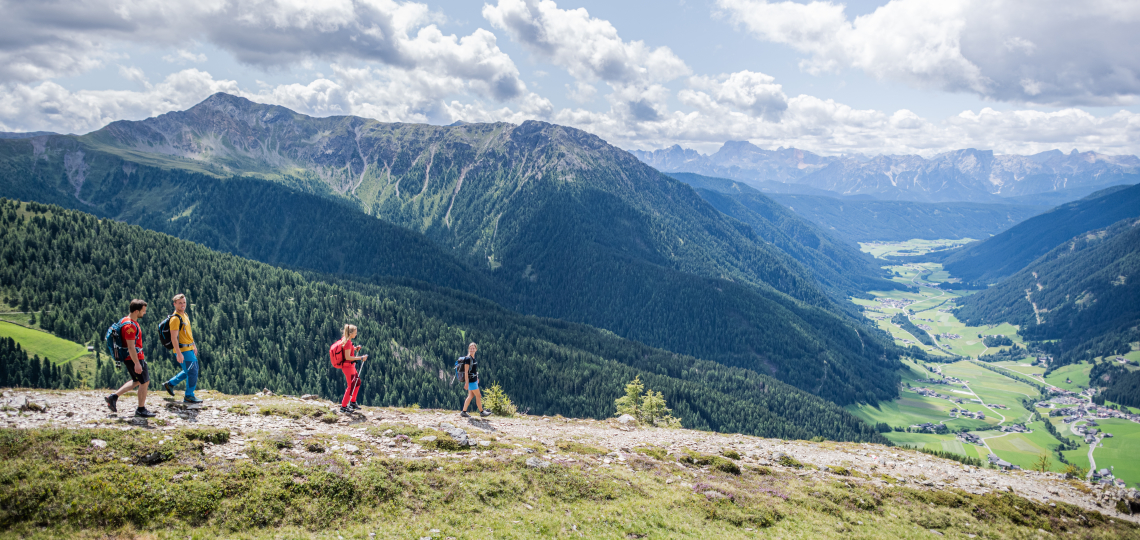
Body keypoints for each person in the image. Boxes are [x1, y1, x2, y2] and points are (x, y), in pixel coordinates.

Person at [104, 299, 156, 418]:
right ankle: (141, 409)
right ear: (136, 311)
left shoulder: (125, 320)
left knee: (137, 380)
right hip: (134, 358)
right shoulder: (130, 326)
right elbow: (131, 347)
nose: (144, 313)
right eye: (143, 311)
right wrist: (137, 363)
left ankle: (113, 397)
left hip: (131, 357)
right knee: (144, 382)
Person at [162, 294, 202, 403]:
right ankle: (189, 395)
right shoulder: (175, 319)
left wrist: (194, 345)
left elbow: (188, 333)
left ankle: (170, 384)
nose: (183, 305)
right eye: (180, 303)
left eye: (184, 302)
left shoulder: (185, 315)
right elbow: (173, 338)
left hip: (189, 348)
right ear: (174, 304)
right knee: (192, 371)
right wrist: (178, 353)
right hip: (183, 350)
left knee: (189, 370)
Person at [336, 324, 368, 414]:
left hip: (350, 366)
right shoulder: (348, 342)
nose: (356, 334)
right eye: (355, 333)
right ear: (350, 333)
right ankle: (344, 406)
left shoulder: (346, 341)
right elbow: (347, 357)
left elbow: (347, 350)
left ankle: (353, 402)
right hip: (348, 367)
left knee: (357, 382)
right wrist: (361, 358)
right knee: (350, 386)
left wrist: (354, 348)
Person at [458, 342, 491, 418]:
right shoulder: (467, 359)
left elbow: (473, 370)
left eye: (473, 348)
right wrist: (467, 383)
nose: (472, 349)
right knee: (478, 395)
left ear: (476, 349)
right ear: (469, 349)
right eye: (470, 348)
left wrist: (477, 378)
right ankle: (482, 412)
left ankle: (464, 411)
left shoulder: (473, 358)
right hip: (471, 381)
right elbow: (466, 372)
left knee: (470, 396)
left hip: (474, 379)